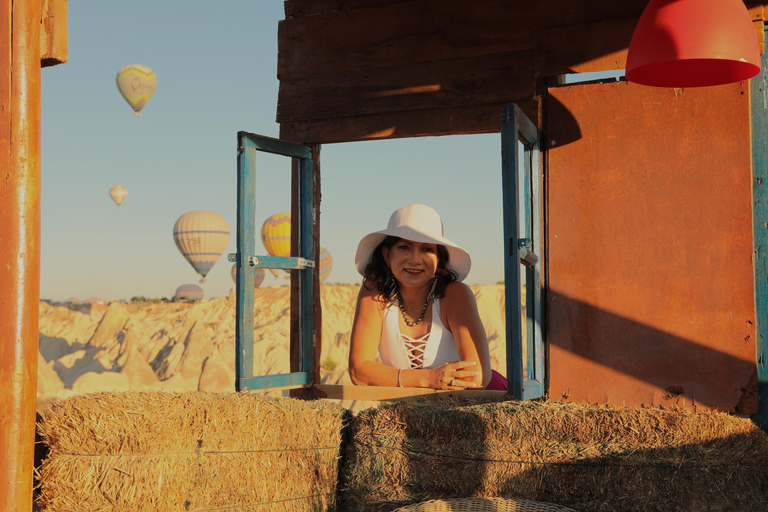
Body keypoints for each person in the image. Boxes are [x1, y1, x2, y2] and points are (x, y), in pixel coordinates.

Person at [348, 204, 507, 390]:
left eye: (427, 249)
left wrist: (395, 378)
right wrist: (428, 378)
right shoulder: (374, 293)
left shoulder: (456, 295)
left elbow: (476, 377)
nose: (415, 259)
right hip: (410, 415)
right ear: (386, 254)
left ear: (438, 257)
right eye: (404, 247)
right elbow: (358, 371)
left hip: (477, 409)